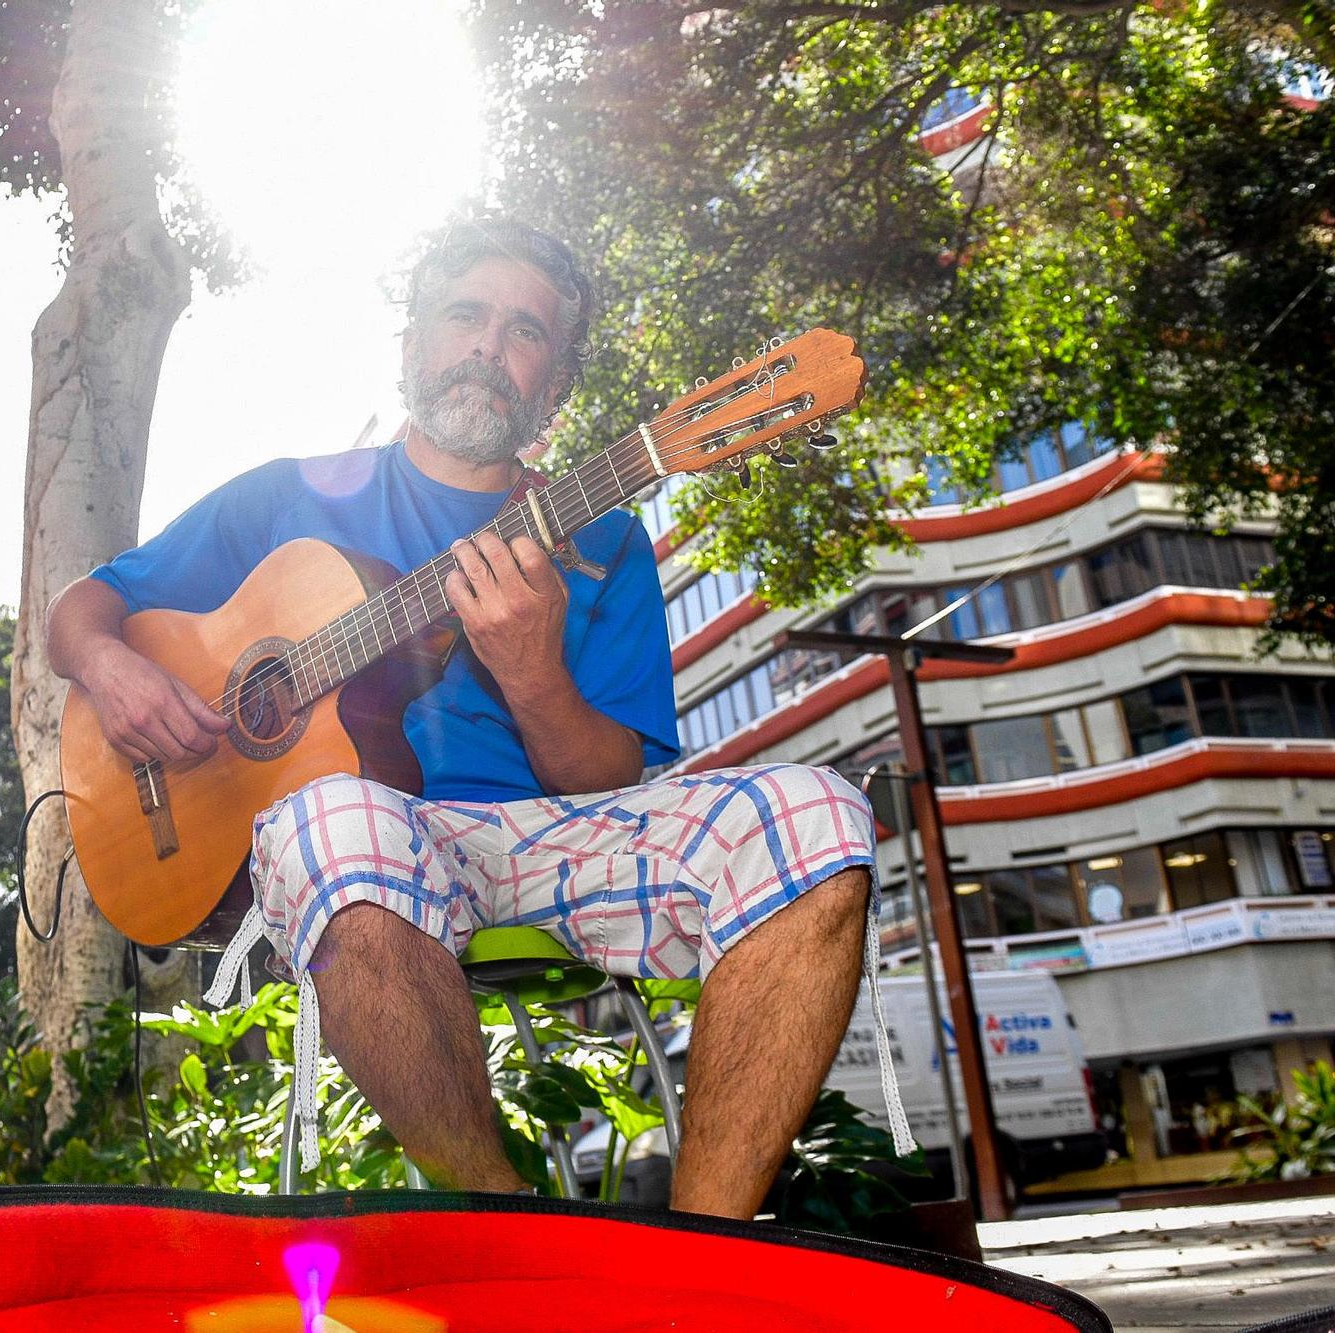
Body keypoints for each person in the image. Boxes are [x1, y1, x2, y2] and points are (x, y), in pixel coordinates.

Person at [45, 218, 908, 1218]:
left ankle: (697, 1251)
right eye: (465, 316)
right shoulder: (284, 497)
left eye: (525, 331)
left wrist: (532, 672)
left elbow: (605, 780)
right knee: (339, 810)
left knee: (815, 814)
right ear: (413, 341)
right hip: (347, 861)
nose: (489, 349)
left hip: (547, 842)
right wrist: (114, 671)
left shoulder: (603, 540)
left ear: (554, 386)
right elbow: (82, 610)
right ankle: (505, 1233)